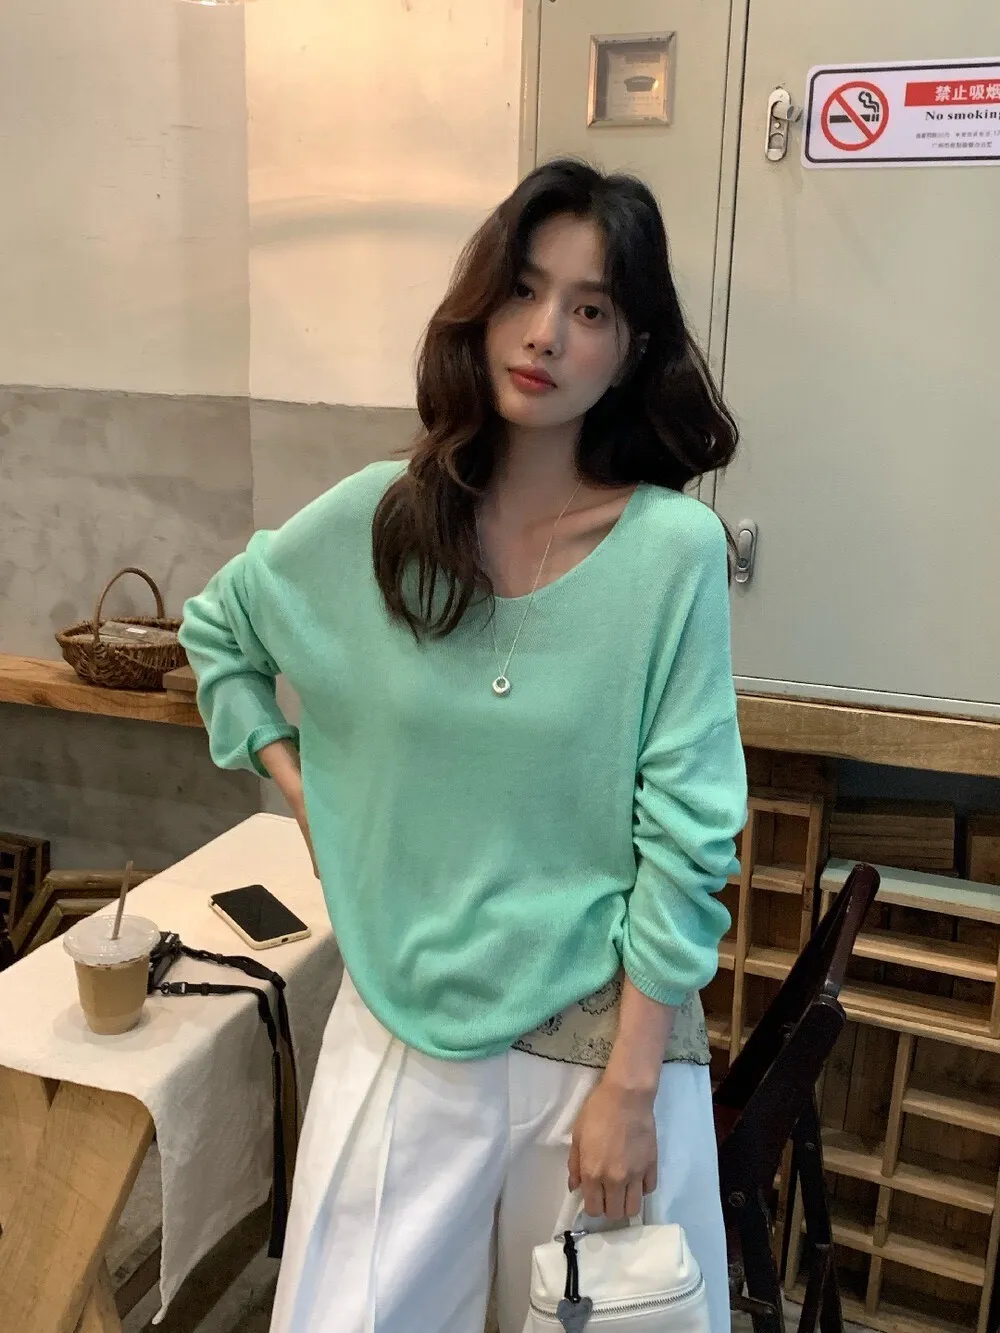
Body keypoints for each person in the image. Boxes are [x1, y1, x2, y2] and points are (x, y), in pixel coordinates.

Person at [179, 158, 747, 1333]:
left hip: (591, 1052)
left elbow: (689, 837)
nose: (544, 333)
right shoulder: (380, 518)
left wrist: (632, 1085)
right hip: (401, 1034)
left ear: (631, 348)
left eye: (590, 308)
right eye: (523, 291)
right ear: (480, 306)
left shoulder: (671, 554)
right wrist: (302, 790)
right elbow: (219, 631)